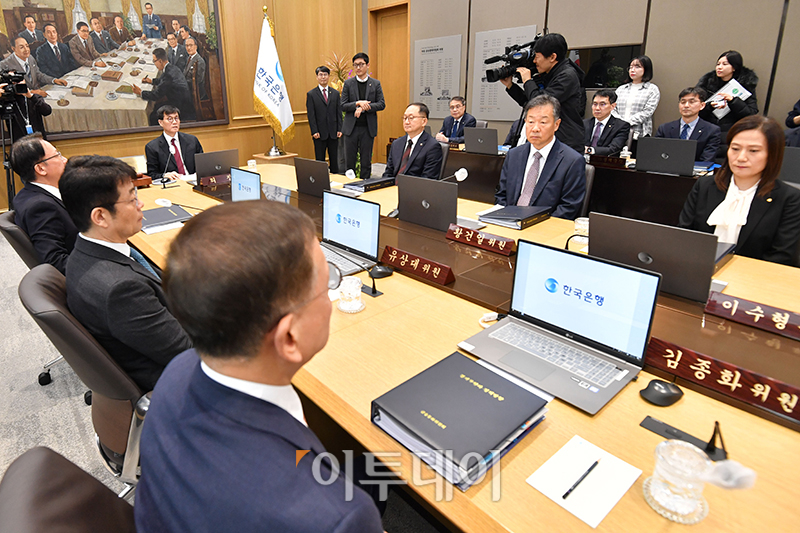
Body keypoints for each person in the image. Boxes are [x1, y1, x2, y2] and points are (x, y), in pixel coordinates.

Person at [133, 201, 384, 532]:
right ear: (289, 338)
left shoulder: (179, 369)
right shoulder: (335, 516)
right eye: (327, 284)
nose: (331, 292)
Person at [60, 156, 193, 390]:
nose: (140, 205)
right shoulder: (121, 291)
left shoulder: (83, 252)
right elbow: (188, 353)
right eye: (133, 199)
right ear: (100, 216)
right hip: (182, 382)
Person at [679, 115, 800, 265]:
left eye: (753, 151)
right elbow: (684, 236)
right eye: (735, 149)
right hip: (699, 270)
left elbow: (782, 257)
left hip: (752, 280)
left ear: (772, 155)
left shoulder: (789, 198)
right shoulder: (704, 185)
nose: (741, 157)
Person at [495, 94, 585, 219]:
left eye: (543, 122)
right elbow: (501, 195)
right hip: (508, 222)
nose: (535, 128)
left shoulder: (572, 161)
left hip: (544, 228)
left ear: (556, 125)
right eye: (530, 122)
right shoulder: (514, 154)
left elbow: (568, 208)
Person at [500, 33, 585, 153]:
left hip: (566, 143)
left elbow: (540, 104)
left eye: (537, 57)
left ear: (552, 57)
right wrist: (510, 86)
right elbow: (530, 102)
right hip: (551, 142)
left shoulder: (567, 76)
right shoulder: (549, 74)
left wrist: (528, 81)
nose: (534, 61)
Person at [9, 134, 76, 274]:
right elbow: (55, 261)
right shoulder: (41, 207)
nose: (65, 160)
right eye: (57, 155)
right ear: (41, 169)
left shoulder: (25, 194)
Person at [696, 51, 758, 154]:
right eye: (718, 64)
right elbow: (696, 111)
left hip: (732, 133)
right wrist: (710, 106)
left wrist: (733, 101)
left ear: (734, 67)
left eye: (725, 64)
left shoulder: (745, 86)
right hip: (708, 132)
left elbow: (751, 113)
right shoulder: (706, 84)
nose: (719, 67)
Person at [341, 52, 385, 180]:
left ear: (367, 65)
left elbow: (381, 104)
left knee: (366, 160)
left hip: (367, 128)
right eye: (355, 65)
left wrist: (364, 108)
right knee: (350, 160)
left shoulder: (375, 84)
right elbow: (343, 105)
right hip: (351, 128)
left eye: (361, 64)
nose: (358, 68)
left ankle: (365, 184)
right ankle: (349, 185)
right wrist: (357, 103)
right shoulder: (348, 84)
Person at [655, 87, 721, 163]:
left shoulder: (711, 130)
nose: (686, 105)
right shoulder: (665, 128)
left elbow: (706, 160)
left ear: (702, 105)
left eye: (691, 102)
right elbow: (657, 154)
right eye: (683, 102)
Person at [133, 47, 194, 124]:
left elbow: (156, 95)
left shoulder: (168, 75)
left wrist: (141, 92)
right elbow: (164, 82)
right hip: (182, 100)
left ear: (160, 61)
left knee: (152, 116)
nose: (154, 63)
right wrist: (151, 81)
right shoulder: (171, 68)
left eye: (154, 61)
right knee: (155, 107)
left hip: (181, 106)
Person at [383, 103, 443, 179]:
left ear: (424, 121)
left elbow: (428, 179)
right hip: (392, 188)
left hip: (414, 189)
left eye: (411, 118)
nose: (407, 122)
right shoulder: (397, 143)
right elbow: (388, 173)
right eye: (405, 118)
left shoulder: (432, 146)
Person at [145, 105, 203, 182]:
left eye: (176, 118)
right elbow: (152, 174)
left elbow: (203, 165)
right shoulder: (152, 147)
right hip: (172, 185)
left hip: (194, 181)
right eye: (170, 119)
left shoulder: (192, 140)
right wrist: (164, 175)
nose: (175, 122)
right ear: (160, 122)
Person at [612, 55, 659, 140]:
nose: (632, 70)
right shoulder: (621, 89)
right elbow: (612, 107)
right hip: (618, 132)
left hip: (639, 133)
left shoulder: (652, 89)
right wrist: (620, 123)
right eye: (630, 67)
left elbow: (648, 111)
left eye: (637, 67)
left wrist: (627, 123)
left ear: (646, 69)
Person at [306, 66, 342, 173]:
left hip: (333, 132)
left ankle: (336, 179)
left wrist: (340, 128)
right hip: (319, 133)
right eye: (320, 75)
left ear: (329, 76)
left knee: (334, 158)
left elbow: (338, 112)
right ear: (317, 77)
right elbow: (311, 115)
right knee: (320, 159)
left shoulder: (335, 93)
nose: (323, 77)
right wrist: (314, 131)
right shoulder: (311, 94)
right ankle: (321, 180)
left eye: (325, 74)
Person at [0, 37, 67, 94]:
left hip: (38, 95)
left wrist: (54, 80)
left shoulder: (30, 58)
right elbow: (9, 89)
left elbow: (38, 75)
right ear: (13, 49)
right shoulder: (4, 65)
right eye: (21, 47)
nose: (26, 49)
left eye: (27, 46)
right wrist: (32, 92)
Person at [0, 73, 52, 141]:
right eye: (13, 82)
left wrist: (31, 96)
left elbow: (47, 111)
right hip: (19, 143)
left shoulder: (33, 98)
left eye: (19, 81)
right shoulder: (7, 101)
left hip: (38, 141)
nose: (16, 85)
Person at [583, 89, 630, 156]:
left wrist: (589, 150)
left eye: (602, 104)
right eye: (595, 104)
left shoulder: (621, 126)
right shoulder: (584, 123)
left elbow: (613, 148)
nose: (597, 108)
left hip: (605, 162)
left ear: (612, 106)